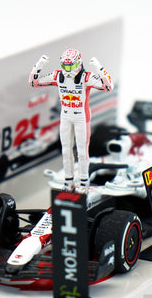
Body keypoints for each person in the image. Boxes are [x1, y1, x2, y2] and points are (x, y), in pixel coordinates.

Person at [29, 48, 114, 193]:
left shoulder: (86, 77)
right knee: (66, 150)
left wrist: (99, 68)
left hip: (82, 117)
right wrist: (39, 64)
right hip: (66, 116)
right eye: (65, 66)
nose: (68, 70)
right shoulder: (57, 75)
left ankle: (83, 182)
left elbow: (108, 87)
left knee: (82, 151)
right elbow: (34, 82)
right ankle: (68, 180)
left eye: (71, 66)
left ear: (79, 63)